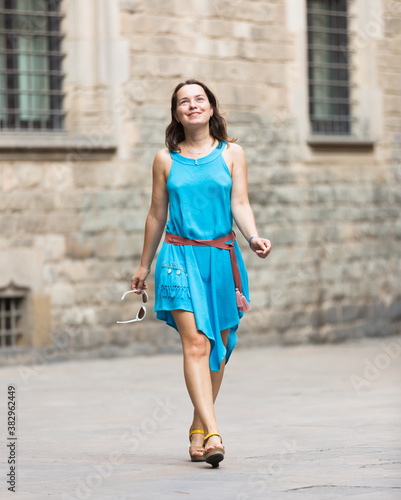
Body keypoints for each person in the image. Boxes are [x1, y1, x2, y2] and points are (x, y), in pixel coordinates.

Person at [130, 79, 271, 467]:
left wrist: (254, 237)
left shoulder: (232, 154)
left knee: (219, 348)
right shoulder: (164, 159)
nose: (192, 105)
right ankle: (213, 433)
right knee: (196, 344)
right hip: (178, 258)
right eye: (183, 101)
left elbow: (239, 202)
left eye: (199, 99)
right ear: (176, 113)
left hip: (222, 258)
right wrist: (144, 265)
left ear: (211, 108)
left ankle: (196, 427)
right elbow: (156, 213)